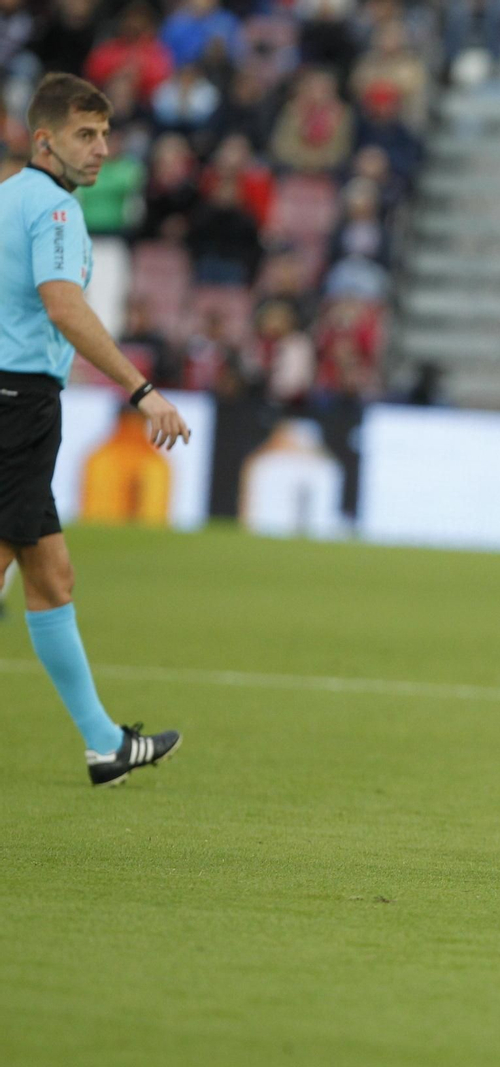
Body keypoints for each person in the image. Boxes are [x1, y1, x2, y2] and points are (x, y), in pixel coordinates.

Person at [0, 74, 190, 787]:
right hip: (16, 405)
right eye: (86, 135)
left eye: (105, 134)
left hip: (15, 402)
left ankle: (105, 743)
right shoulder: (53, 211)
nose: (102, 150)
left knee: (52, 577)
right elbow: (63, 306)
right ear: (44, 140)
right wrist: (142, 390)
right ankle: (103, 741)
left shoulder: (5, 199)